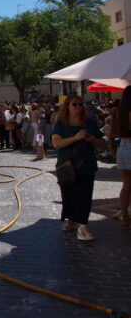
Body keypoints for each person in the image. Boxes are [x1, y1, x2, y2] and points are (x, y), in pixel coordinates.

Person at [52, 95, 105, 241]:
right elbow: (56, 143)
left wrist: (92, 139)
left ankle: (82, 226)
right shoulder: (61, 124)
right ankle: (71, 219)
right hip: (67, 166)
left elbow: (101, 143)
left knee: (84, 196)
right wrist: (75, 138)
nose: (78, 107)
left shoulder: (89, 123)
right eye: (75, 104)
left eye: (81, 104)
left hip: (86, 165)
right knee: (68, 195)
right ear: (67, 106)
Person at [109, 86, 131, 229]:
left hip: (123, 146)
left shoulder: (118, 112)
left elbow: (111, 132)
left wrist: (112, 149)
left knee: (126, 186)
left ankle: (125, 217)